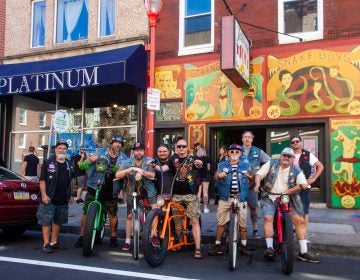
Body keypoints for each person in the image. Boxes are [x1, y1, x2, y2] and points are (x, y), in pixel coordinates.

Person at [254, 147, 320, 263]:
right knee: (268, 218)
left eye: (289, 156)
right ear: (280, 156)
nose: (286, 158)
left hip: (289, 198)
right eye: (284, 155)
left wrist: (292, 190)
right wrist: (257, 184)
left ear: (292, 159)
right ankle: (270, 248)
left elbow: (303, 184)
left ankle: (303, 252)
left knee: (299, 221)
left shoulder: (296, 170)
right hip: (270, 196)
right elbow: (259, 174)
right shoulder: (271, 163)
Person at [75, 135, 128, 248]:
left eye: (120, 143)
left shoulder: (123, 158)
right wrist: (87, 162)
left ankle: (113, 237)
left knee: (112, 214)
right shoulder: (101, 151)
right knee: (86, 212)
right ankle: (82, 236)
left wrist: (120, 169)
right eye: (115, 142)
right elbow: (92, 158)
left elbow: (124, 167)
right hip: (95, 186)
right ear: (111, 143)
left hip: (111, 189)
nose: (117, 145)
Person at [157, 138, 203, 259]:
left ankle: (198, 248)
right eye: (179, 147)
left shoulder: (193, 158)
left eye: (183, 146)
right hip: (176, 195)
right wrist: (154, 166)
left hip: (191, 195)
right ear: (176, 148)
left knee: (194, 221)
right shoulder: (173, 159)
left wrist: (199, 164)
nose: (181, 149)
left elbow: (199, 164)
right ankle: (180, 242)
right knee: (177, 220)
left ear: (187, 147)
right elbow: (164, 168)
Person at [209, 143, 252, 257]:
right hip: (225, 198)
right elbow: (214, 178)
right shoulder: (221, 164)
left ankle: (243, 245)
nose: (234, 154)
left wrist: (249, 176)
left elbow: (252, 179)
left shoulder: (246, 166)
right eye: (231, 151)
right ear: (228, 153)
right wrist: (219, 175)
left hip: (240, 198)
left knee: (242, 223)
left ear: (240, 153)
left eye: (236, 152)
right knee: (221, 222)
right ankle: (217, 245)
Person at [115, 142, 156, 251]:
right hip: (132, 190)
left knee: (155, 210)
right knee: (129, 216)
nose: (138, 152)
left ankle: (154, 234)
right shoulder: (127, 162)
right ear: (134, 152)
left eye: (141, 150)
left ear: (144, 151)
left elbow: (152, 175)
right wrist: (129, 169)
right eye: (136, 150)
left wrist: (142, 172)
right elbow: (117, 175)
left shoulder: (149, 161)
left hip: (148, 190)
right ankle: (127, 241)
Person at [37, 139, 75, 253]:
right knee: (47, 221)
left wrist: (71, 194)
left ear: (66, 150)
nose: (62, 150)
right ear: (55, 149)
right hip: (49, 197)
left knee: (58, 221)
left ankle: (54, 242)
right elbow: (42, 180)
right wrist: (43, 195)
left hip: (63, 198)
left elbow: (71, 180)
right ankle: (46, 243)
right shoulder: (48, 162)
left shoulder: (69, 163)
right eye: (60, 148)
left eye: (64, 148)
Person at [290, 135, 324, 239]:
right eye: (293, 142)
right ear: (291, 145)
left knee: (304, 211)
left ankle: (304, 235)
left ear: (301, 142)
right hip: (290, 187)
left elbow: (321, 166)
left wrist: (313, 179)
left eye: (297, 141)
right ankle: (293, 231)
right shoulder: (288, 155)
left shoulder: (308, 155)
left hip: (304, 186)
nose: (295, 143)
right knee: (290, 209)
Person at [241, 130, 270, 239]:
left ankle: (255, 229)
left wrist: (261, 172)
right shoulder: (236, 150)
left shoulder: (258, 151)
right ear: (242, 139)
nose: (247, 139)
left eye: (249, 137)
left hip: (252, 185)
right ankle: (237, 229)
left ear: (252, 139)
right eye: (245, 137)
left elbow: (269, 162)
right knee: (237, 208)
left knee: (253, 208)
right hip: (239, 184)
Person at [193, 143, 211, 213]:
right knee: (205, 192)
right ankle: (205, 208)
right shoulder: (207, 158)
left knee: (198, 192)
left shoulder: (195, 158)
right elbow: (209, 168)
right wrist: (209, 174)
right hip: (205, 176)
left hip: (198, 176)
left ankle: (198, 208)